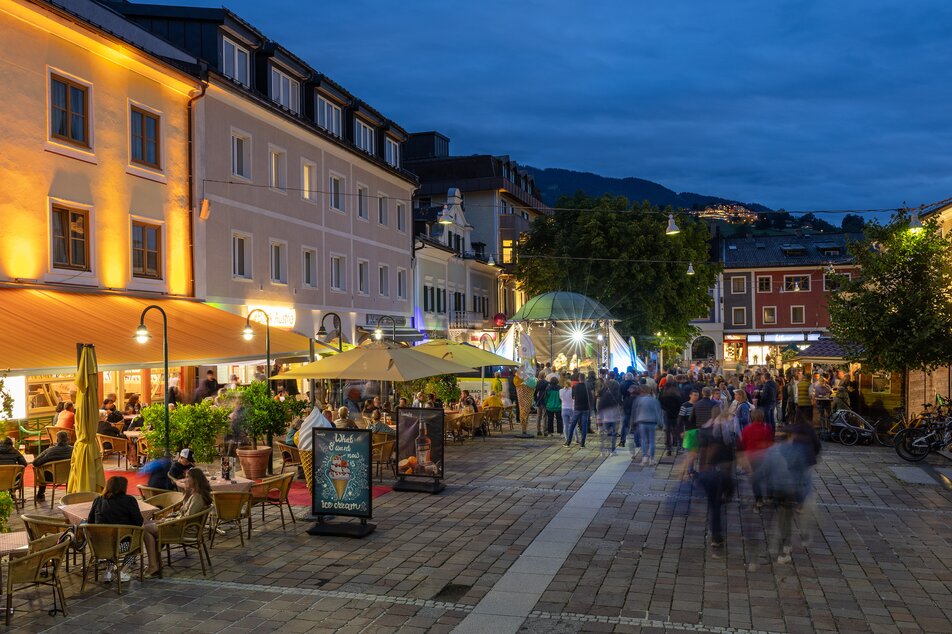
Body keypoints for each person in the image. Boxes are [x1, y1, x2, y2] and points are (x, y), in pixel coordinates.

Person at [144, 467, 212, 576]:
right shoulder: (194, 494)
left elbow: (186, 518)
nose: (185, 480)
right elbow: (182, 513)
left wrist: (167, 520)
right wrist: (166, 519)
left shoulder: (197, 498)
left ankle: (153, 565)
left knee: (145, 530)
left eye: (187, 477)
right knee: (146, 525)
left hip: (183, 530)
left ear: (195, 480)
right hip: (179, 525)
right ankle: (155, 563)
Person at [87, 476, 144, 583]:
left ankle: (109, 571)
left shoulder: (98, 500)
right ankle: (122, 572)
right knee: (136, 544)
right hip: (120, 546)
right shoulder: (129, 500)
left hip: (99, 545)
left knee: (111, 541)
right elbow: (138, 522)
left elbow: (90, 522)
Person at [697, 405, 734, 551]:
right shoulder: (725, 428)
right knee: (717, 504)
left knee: (714, 504)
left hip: (708, 469)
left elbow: (697, 450)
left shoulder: (705, 429)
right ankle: (716, 535)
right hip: (722, 467)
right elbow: (731, 443)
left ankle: (715, 533)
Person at [740, 409, 774, 511]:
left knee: (756, 479)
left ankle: (759, 500)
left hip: (753, 457)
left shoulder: (747, 429)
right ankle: (769, 496)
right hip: (765, 456)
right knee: (768, 476)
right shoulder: (767, 428)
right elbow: (770, 441)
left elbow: (743, 443)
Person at [32, 430, 73, 500]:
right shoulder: (73, 450)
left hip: (51, 477)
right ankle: (69, 494)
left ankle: (40, 494)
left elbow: (35, 462)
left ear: (57, 440)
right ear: (68, 440)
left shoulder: (50, 450)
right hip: (69, 476)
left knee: (40, 469)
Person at [631, 385, 664, 466]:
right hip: (652, 422)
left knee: (643, 440)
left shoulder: (638, 400)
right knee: (652, 441)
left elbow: (635, 412)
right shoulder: (654, 400)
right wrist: (660, 423)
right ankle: (652, 459)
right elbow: (658, 412)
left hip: (641, 422)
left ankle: (644, 458)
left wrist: (633, 422)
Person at [596, 377, 623, 455]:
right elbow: (617, 408)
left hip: (606, 419)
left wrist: (599, 420)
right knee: (613, 435)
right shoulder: (615, 398)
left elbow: (600, 410)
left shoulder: (603, 398)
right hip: (614, 419)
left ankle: (604, 450)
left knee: (607, 435)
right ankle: (612, 450)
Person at [659, 381, 684, 456]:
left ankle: (669, 449)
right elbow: (681, 404)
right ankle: (678, 447)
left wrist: (666, 410)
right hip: (677, 415)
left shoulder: (663, 395)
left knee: (667, 432)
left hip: (667, 415)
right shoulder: (678, 395)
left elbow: (661, 404)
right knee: (678, 431)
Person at [567, 373, 591, 448]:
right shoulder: (587, 387)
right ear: (585, 379)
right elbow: (590, 396)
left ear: (579, 379)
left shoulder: (575, 386)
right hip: (585, 408)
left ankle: (568, 442)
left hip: (577, 408)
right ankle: (582, 444)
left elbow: (573, 397)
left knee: (572, 425)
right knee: (584, 426)